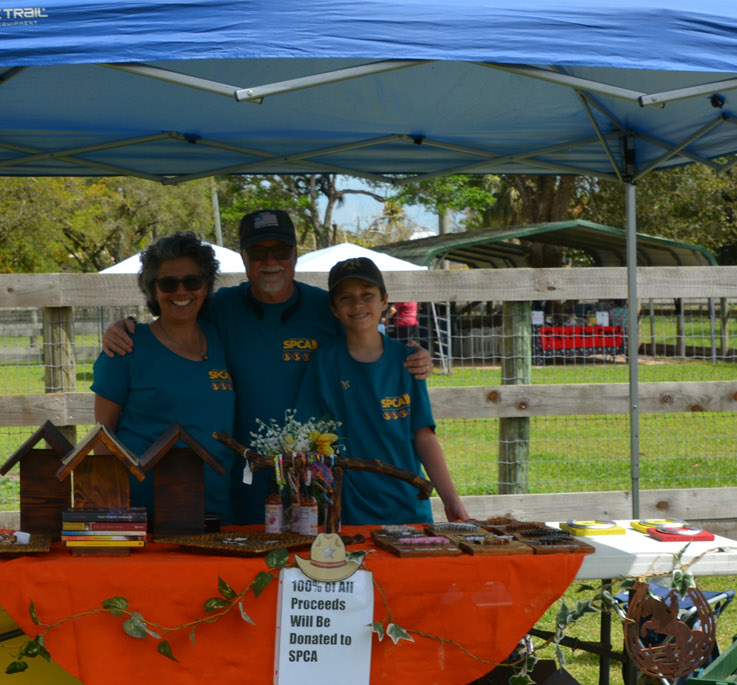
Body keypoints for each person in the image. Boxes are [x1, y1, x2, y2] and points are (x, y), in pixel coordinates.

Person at [103, 209, 433, 524]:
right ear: (244, 258)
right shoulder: (221, 309)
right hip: (242, 479)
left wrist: (414, 356)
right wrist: (125, 327)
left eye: (281, 250)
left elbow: (370, 347)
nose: (271, 261)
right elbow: (176, 313)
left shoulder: (326, 308)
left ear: (295, 255)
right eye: (259, 252)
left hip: (316, 477)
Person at [297, 256, 468, 526]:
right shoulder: (324, 363)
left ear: (384, 300)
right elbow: (307, 441)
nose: (358, 305)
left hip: (408, 506)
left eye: (367, 295)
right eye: (346, 298)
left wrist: (451, 499)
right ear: (333, 307)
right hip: (349, 511)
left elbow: (424, 436)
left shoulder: (408, 361)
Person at [90, 232, 235, 521]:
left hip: (216, 512)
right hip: (145, 514)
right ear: (153, 289)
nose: (181, 292)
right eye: (168, 283)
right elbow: (102, 439)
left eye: (192, 281)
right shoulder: (126, 348)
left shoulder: (223, 340)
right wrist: (107, 517)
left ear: (206, 286)